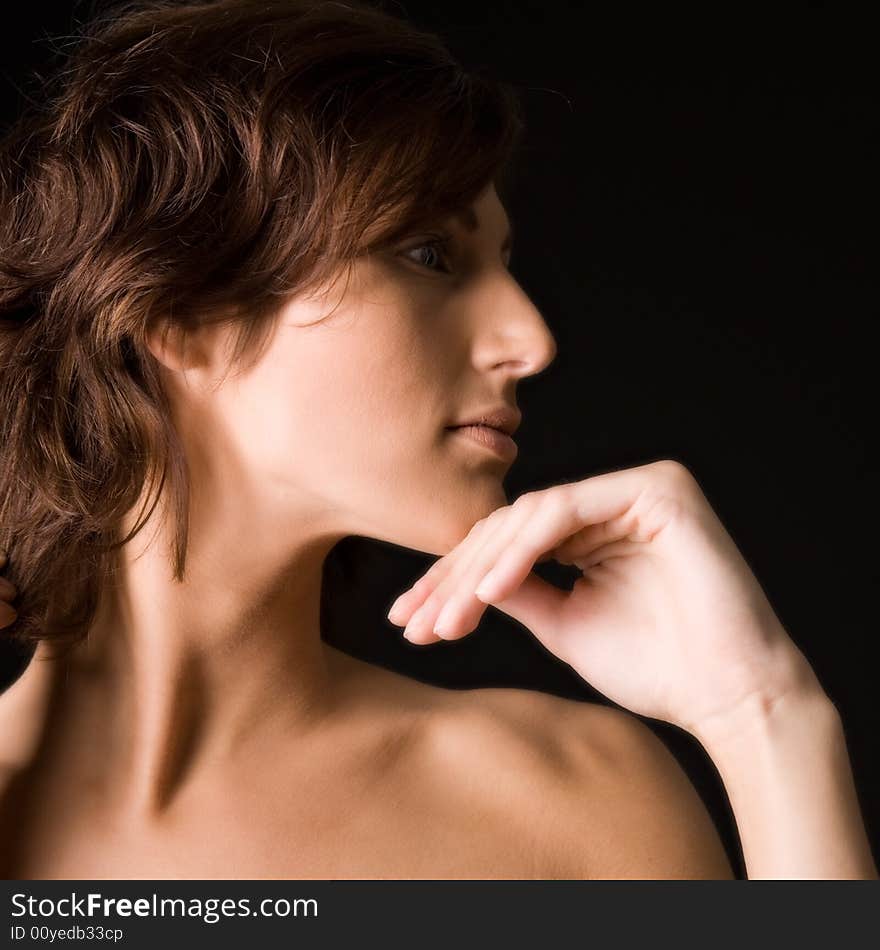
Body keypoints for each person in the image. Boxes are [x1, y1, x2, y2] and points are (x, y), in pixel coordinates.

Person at [0, 0, 876, 880]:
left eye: (506, 264)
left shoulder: (567, 806)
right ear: (180, 313)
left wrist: (764, 715)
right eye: (427, 255)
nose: (532, 340)